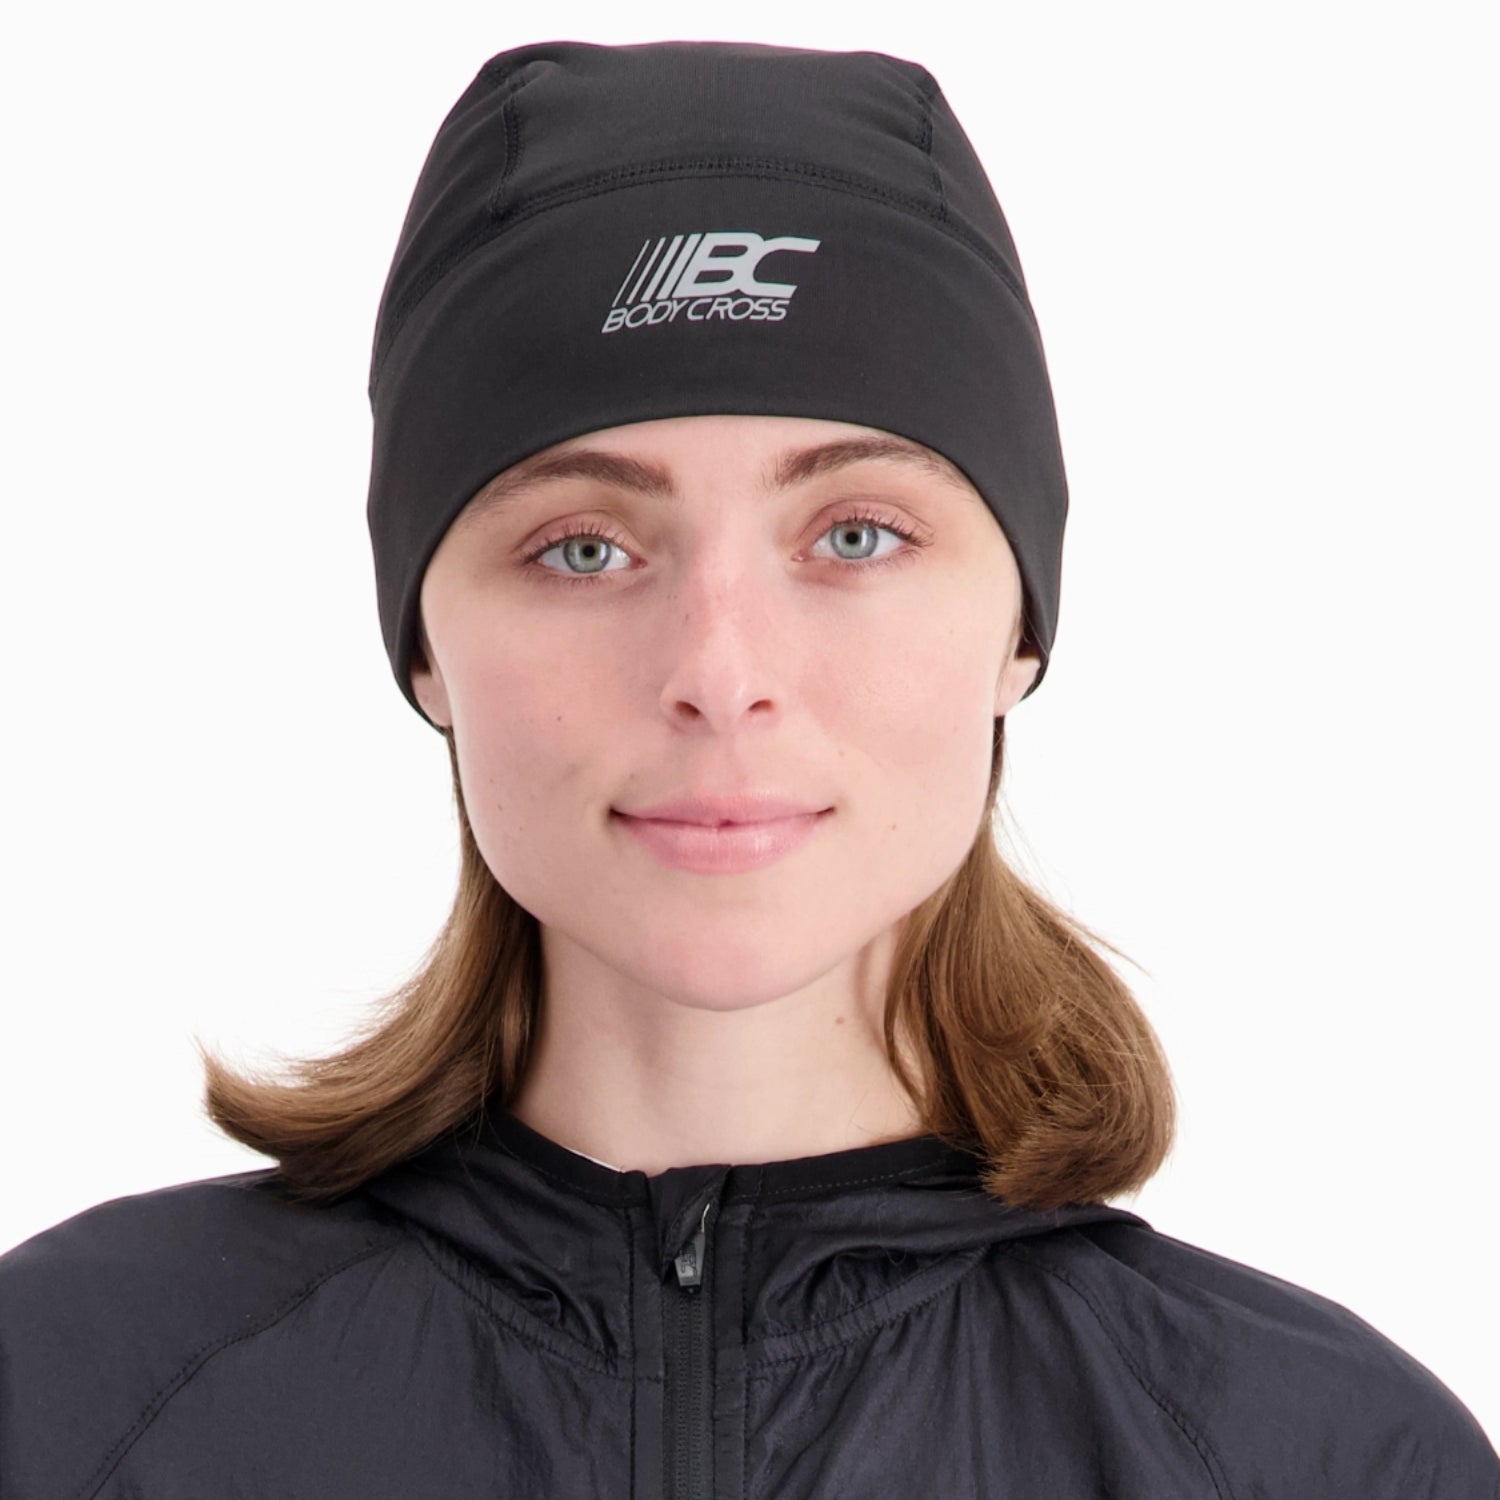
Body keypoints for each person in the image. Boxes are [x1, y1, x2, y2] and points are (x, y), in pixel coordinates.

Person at [1, 38, 1495, 1498]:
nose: (720, 675)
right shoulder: (77, 1396)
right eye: (583, 548)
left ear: (1021, 630)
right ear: (425, 651)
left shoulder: (1325, 1457)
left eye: (856, 535)